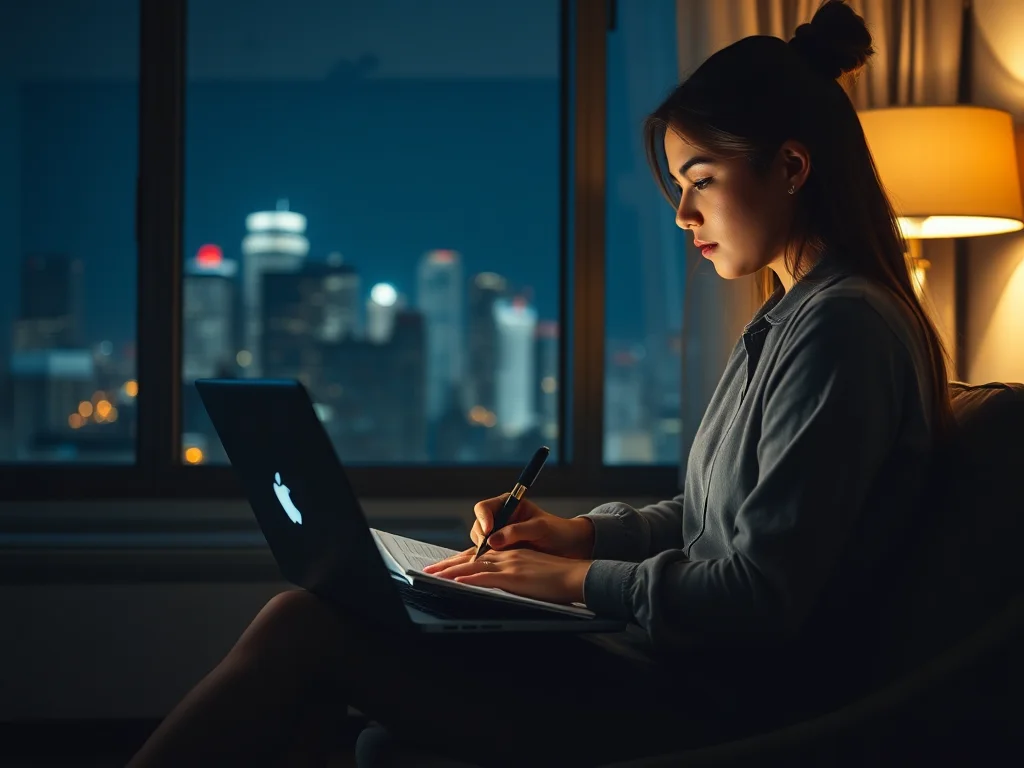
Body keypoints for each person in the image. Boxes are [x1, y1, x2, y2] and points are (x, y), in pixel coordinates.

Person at [127, 2, 954, 766]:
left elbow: (759, 593)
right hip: (680, 671)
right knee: (341, 652)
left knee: (305, 625)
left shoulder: (843, 329)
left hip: (723, 711)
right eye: (678, 187)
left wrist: (566, 583)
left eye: (700, 180)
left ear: (792, 167)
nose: (682, 214)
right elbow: (714, 523)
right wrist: (575, 536)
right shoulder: (790, 318)